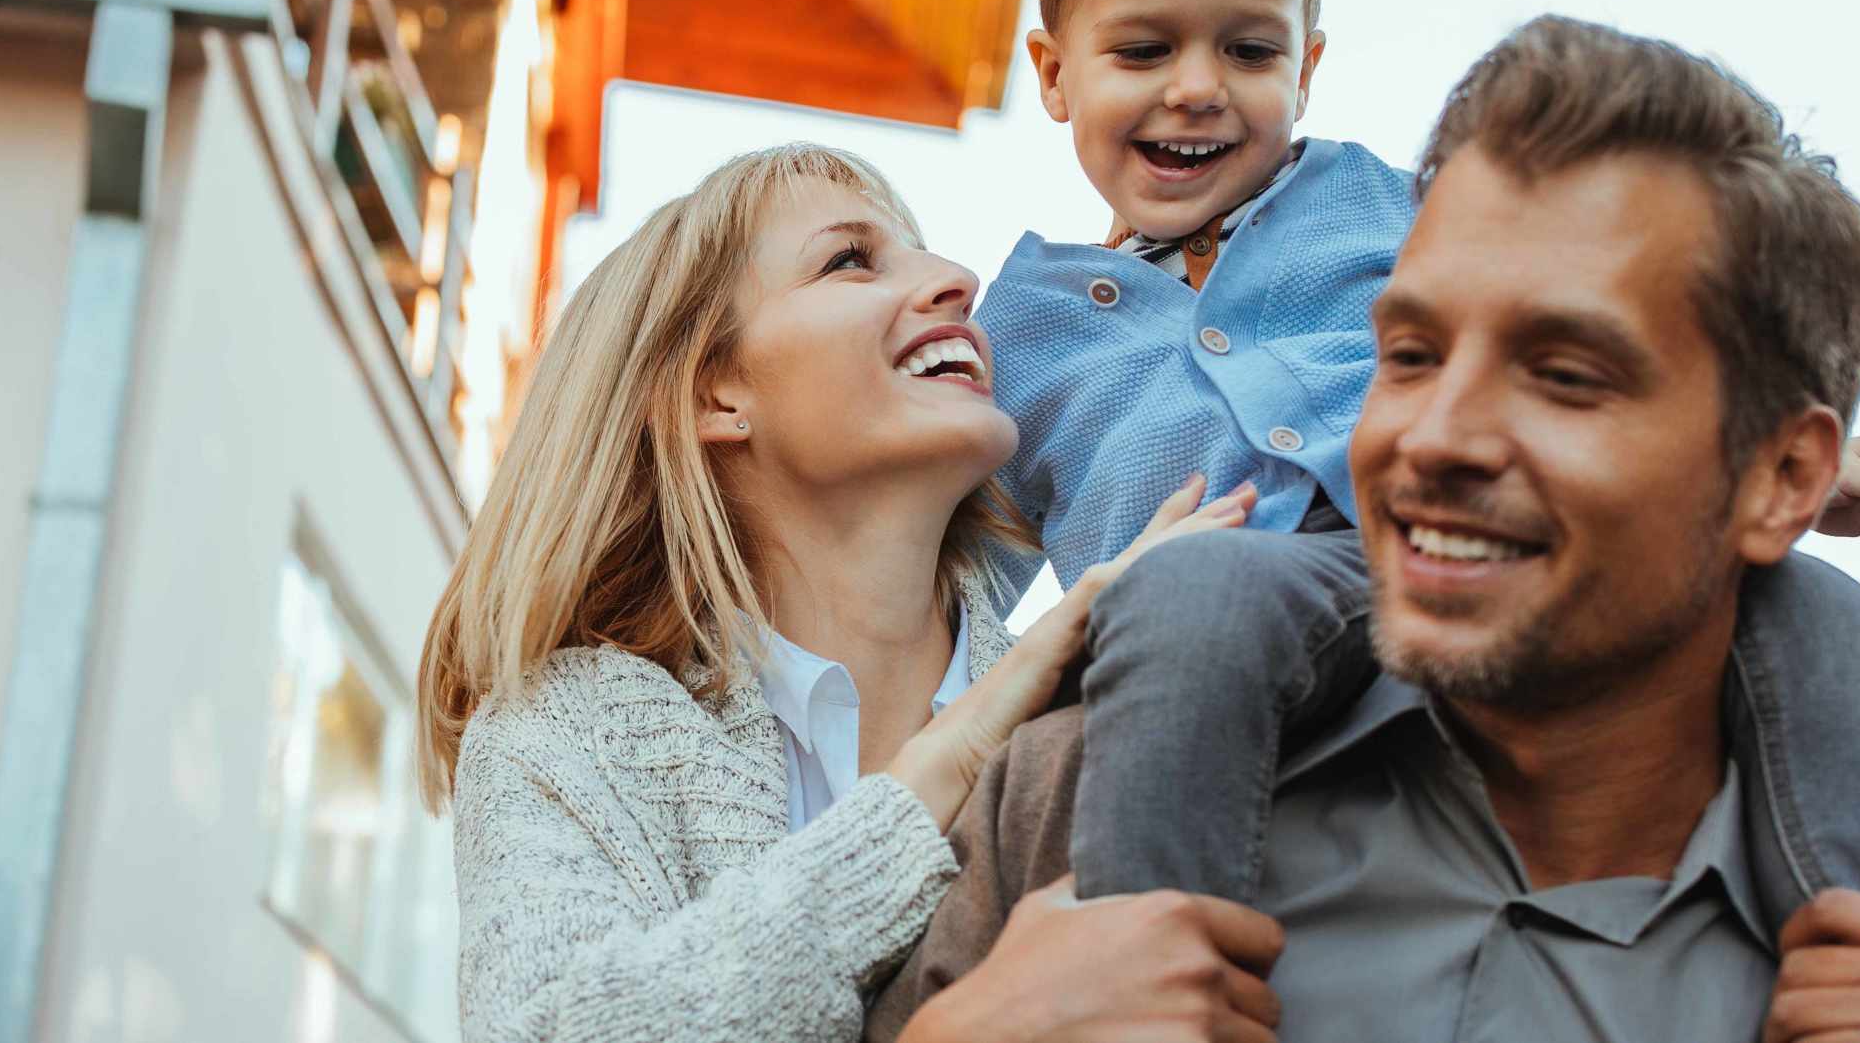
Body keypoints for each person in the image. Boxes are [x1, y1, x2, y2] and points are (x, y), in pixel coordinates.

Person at [868, 15, 1860, 1043]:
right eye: (1410, 352)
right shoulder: (1065, 833)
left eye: (1566, 374)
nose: (1432, 437)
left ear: (1783, 477)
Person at [976, 0, 1860, 926]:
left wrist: (1768, 463)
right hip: (1217, 628)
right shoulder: (1020, 336)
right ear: (1055, 74)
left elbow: (1599, 325)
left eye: (1249, 51)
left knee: (1818, 615)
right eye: (1145, 50)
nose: (1199, 87)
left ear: (1305, 66)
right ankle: (1144, 945)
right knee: (1188, 598)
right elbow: (961, 580)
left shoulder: (1377, 202)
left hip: (1471, 552)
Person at [413, 144, 1249, 1043]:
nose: (958, 280)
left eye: (926, 253)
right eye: (849, 260)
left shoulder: (1101, 696)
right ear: (715, 391)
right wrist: (946, 774)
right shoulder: (566, 732)